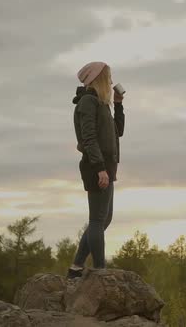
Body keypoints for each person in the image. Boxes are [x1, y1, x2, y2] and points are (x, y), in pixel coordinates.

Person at [67, 61, 125, 279]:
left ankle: (75, 268)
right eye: (108, 77)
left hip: (106, 166)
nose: (111, 82)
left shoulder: (102, 104)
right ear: (98, 79)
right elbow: (89, 138)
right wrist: (100, 168)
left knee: (103, 219)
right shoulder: (87, 102)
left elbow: (117, 131)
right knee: (97, 220)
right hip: (96, 166)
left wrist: (118, 104)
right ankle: (100, 270)